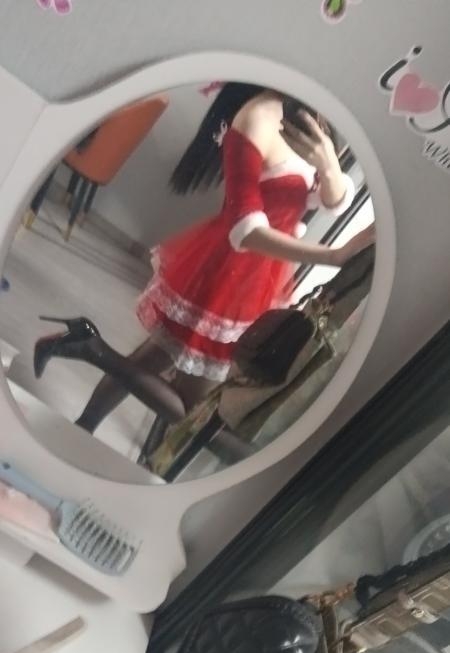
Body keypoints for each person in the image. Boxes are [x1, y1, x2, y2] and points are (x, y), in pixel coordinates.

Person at [34, 83, 374, 436]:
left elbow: (330, 202)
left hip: (254, 279)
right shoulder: (257, 117)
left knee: (150, 360)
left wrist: (330, 167)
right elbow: (245, 231)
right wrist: (334, 255)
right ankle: (90, 350)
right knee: (185, 407)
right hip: (228, 274)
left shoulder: (307, 110)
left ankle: (82, 422)